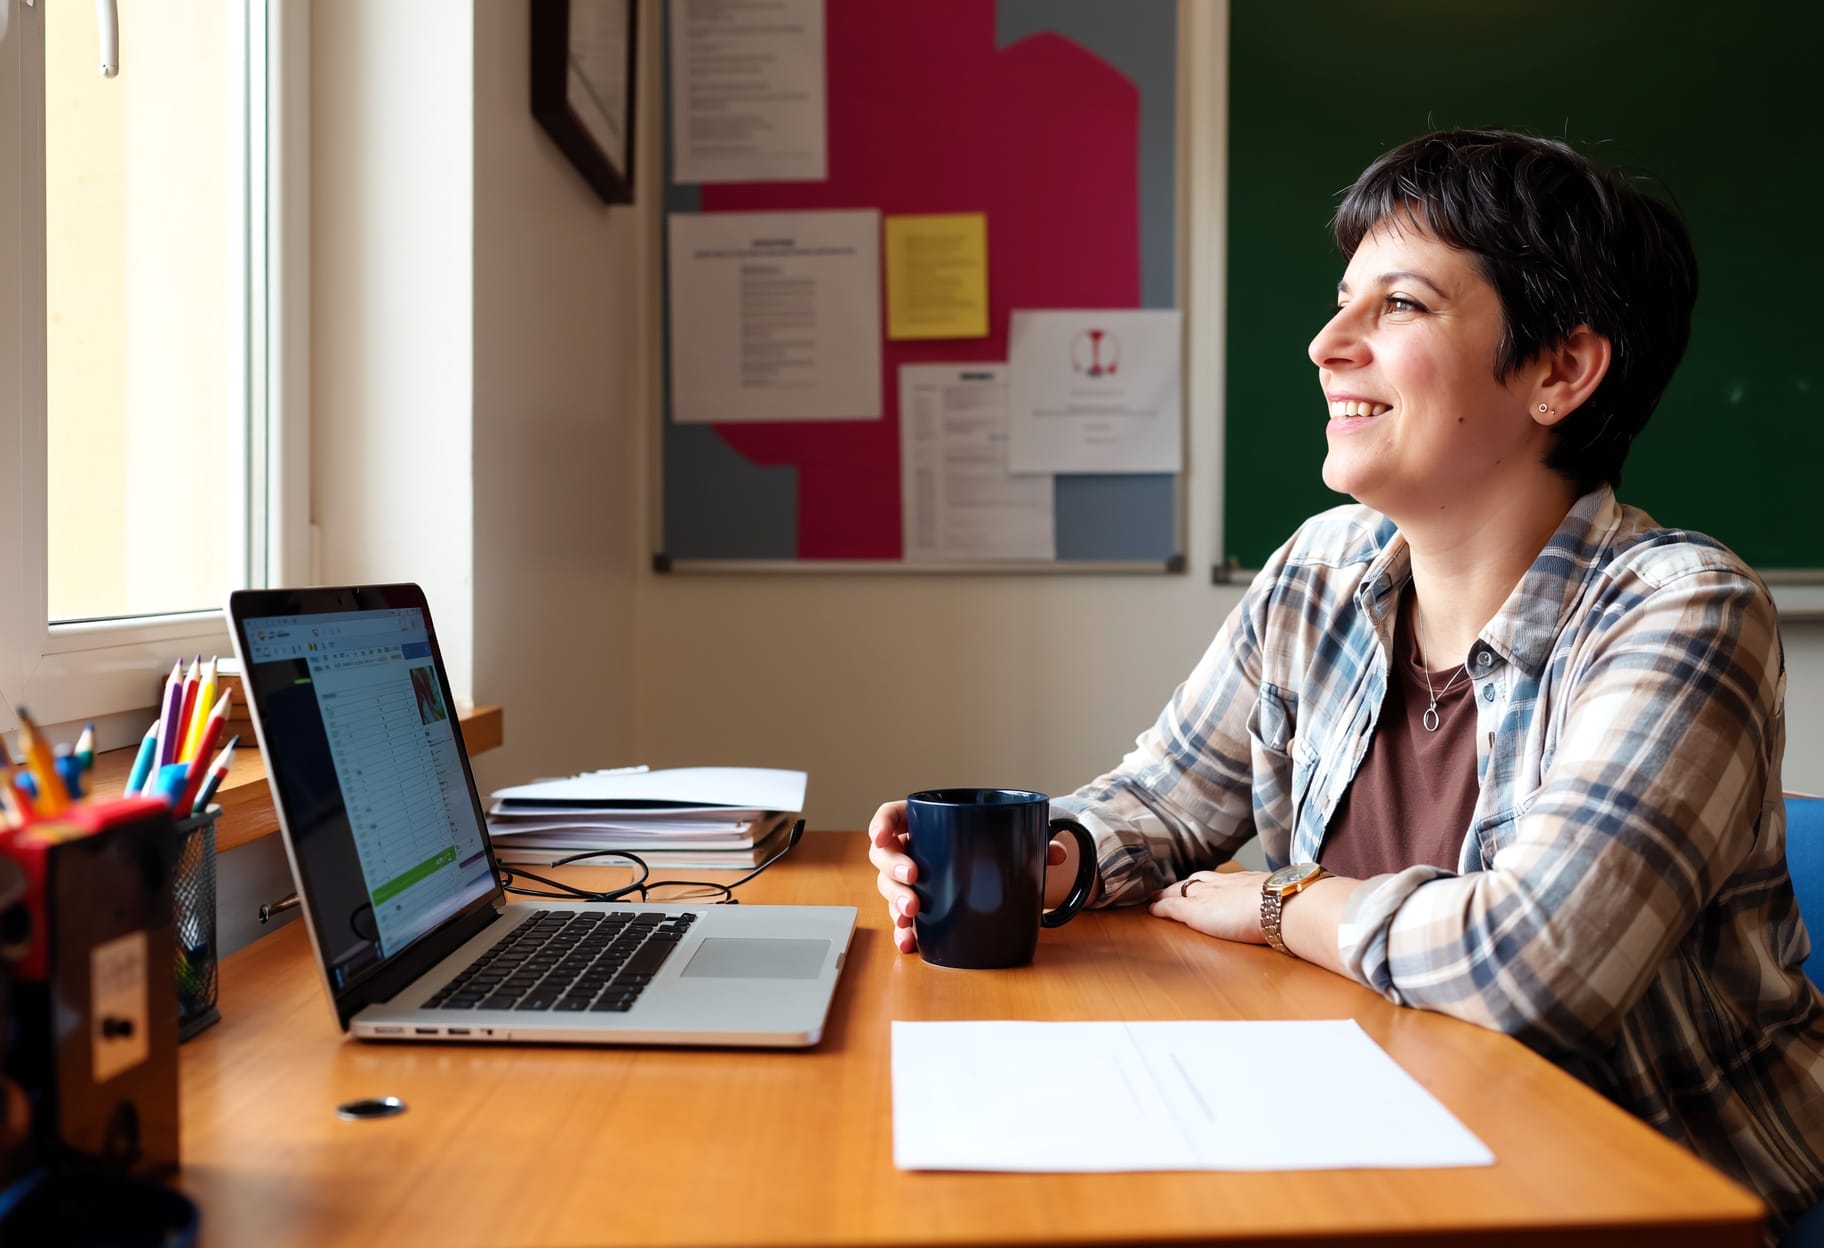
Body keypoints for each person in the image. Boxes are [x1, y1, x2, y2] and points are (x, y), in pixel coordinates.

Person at [867, 129, 1824, 1240]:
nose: (1327, 344)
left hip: (1645, 1188)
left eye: (1402, 307)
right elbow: (1166, 799)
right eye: (1340, 301)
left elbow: (1533, 968)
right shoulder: (1324, 569)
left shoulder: (1684, 612)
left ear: (1561, 370)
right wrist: (1054, 856)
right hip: (1384, 1138)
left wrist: (1280, 904)